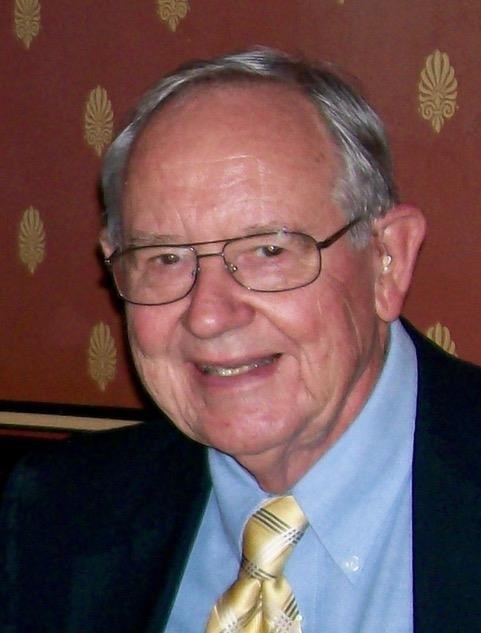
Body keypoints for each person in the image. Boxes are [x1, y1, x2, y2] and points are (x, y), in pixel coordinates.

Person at [1, 48, 480, 633]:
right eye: (165, 258)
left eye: (268, 251)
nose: (208, 316)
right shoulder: (59, 510)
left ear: (389, 260)